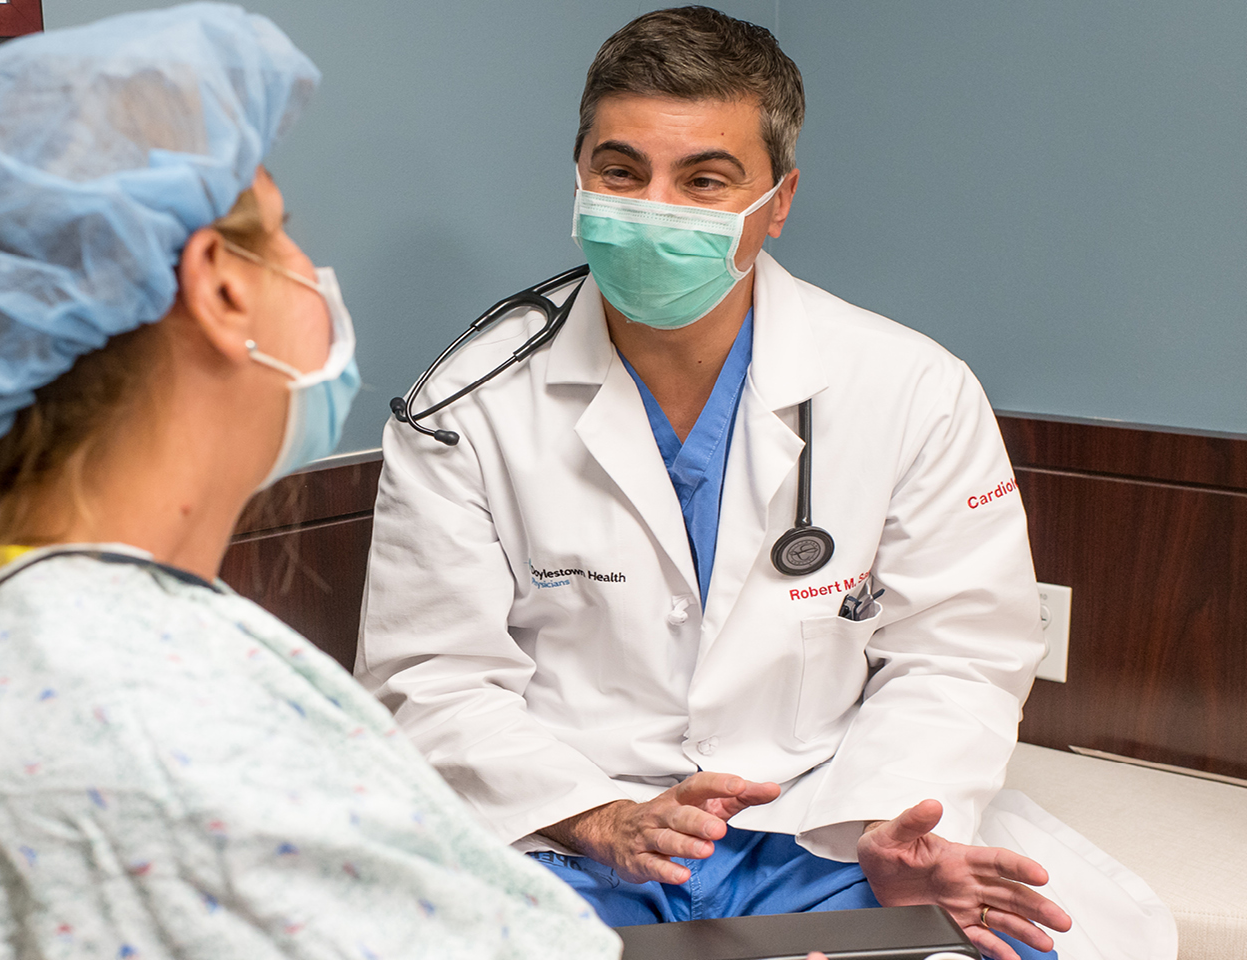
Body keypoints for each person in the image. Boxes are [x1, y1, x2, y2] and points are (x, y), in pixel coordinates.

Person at [0, 6, 626, 958]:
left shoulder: (50, 634)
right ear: (220, 288)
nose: (310, 274)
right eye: (280, 233)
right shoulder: (133, 713)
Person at [357, 7, 1173, 960]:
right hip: (569, 834)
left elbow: (957, 651)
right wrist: (600, 817)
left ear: (777, 201)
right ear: (578, 174)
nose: (655, 207)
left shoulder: (910, 387)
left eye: (704, 179)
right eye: (621, 171)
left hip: (820, 826)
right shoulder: (462, 405)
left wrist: (889, 822)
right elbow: (431, 674)